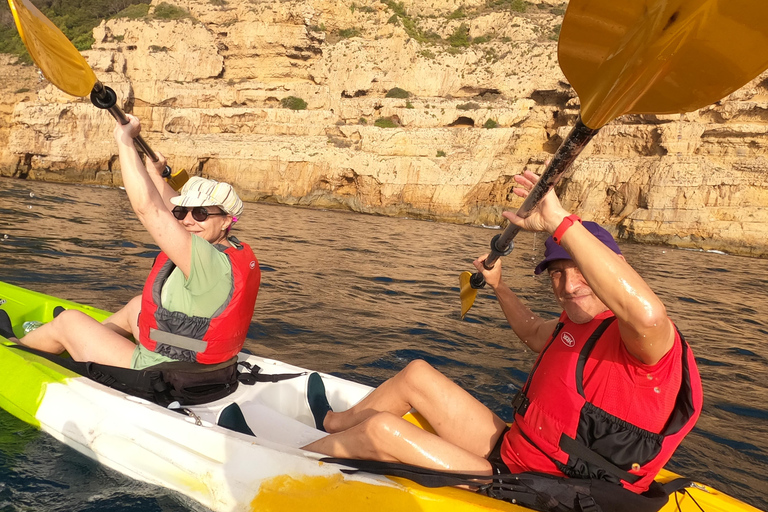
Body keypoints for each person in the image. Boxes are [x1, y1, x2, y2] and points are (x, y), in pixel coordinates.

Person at [301, 170, 702, 496]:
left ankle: (286, 458)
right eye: (558, 274)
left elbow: (647, 315)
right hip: (514, 451)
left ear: (613, 266)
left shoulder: (647, 345)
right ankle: (335, 425)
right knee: (417, 374)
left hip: (549, 490)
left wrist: (560, 223)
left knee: (381, 431)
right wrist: (498, 286)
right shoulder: (577, 326)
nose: (568, 284)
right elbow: (531, 332)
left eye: (580, 268)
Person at [0, 115, 260, 369]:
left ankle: (15, 346)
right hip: (203, 367)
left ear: (227, 220)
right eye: (184, 212)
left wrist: (124, 139)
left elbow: (150, 209)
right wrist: (154, 174)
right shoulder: (230, 250)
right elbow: (170, 208)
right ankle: (86, 339)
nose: (188, 220)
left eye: (201, 213)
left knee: (68, 320)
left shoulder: (203, 258)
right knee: (137, 305)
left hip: (165, 372)